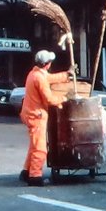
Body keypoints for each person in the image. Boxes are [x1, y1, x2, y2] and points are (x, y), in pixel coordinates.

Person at [19, 50, 71, 186]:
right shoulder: (39, 78)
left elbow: (49, 78)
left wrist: (66, 75)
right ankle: (35, 177)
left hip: (30, 114)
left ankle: (26, 172)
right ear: (47, 64)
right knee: (40, 148)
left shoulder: (34, 73)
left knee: (33, 146)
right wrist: (63, 98)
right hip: (36, 115)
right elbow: (49, 99)